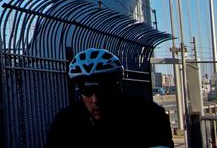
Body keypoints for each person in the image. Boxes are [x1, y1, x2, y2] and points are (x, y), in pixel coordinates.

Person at [45, 48, 174, 148]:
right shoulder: (66, 122)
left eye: (102, 91)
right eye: (87, 92)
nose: (95, 100)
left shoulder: (148, 115)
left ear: (117, 88)